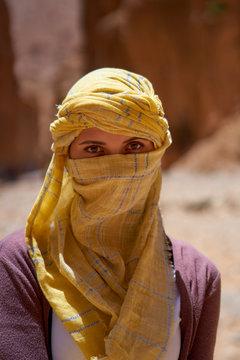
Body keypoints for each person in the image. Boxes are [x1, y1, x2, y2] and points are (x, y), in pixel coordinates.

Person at [0, 68, 220, 360]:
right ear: (67, 158)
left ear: (157, 154)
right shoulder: (21, 266)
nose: (116, 166)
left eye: (134, 146)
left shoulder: (198, 278)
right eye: (93, 149)